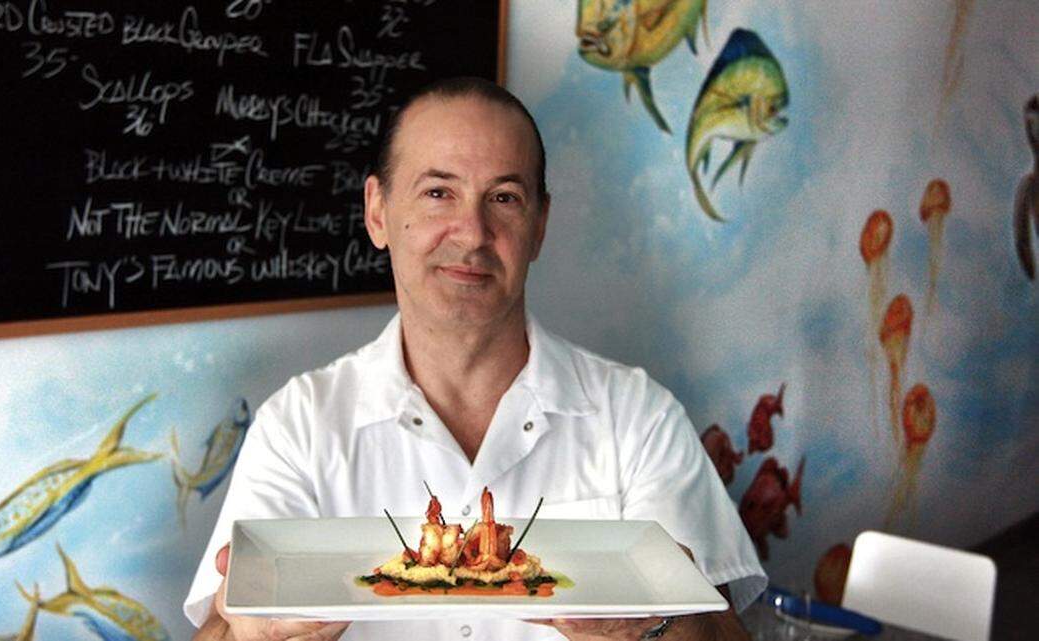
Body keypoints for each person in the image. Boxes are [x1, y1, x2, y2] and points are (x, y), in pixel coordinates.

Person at [184, 77, 766, 641]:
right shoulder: (297, 428)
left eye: (504, 198)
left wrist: (665, 625)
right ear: (378, 211)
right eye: (439, 193)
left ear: (539, 225)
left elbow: (723, 633)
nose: (473, 232)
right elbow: (221, 627)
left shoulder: (639, 418)